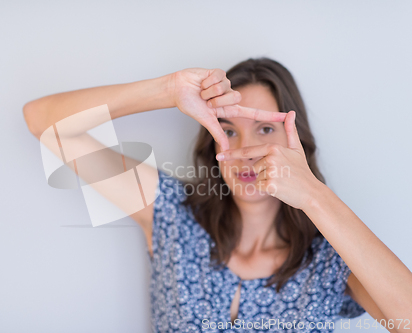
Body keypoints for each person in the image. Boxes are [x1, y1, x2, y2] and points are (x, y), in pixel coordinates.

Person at [23, 57, 412, 333]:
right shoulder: (172, 214)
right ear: (212, 143)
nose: (244, 148)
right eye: (228, 130)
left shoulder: (331, 261)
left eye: (264, 129)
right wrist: (166, 89)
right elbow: (42, 122)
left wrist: (312, 193)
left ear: (296, 141)